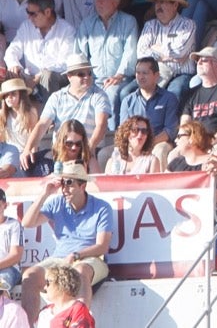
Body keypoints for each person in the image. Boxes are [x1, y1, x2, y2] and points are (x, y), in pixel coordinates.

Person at [20, 163, 112, 325]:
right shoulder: (57, 202)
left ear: (82, 185)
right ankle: (27, 324)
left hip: (91, 259)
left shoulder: (102, 207)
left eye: (69, 183)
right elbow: (27, 222)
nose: (64, 189)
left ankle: (80, 322)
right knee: (29, 276)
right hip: (60, 258)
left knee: (80, 270)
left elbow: (102, 246)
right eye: (62, 183)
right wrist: (45, 193)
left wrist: (77, 255)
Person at [20, 54, 109, 173]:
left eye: (89, 73)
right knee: (28, 162)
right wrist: (27, 149)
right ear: (69, 76)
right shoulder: (57, 97)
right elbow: (42, 125)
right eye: (81, 74)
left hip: (90, 149)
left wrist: (88, 149)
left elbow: (101, 125)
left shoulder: (99, 95)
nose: (87, 77)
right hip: (61, 151)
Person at [74, 0, 138, 131]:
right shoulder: (87, 23)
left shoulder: (128, 22)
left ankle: (110, 136)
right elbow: (79, 54)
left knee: (111, 92)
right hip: (92, 79)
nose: (98, 2)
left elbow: (130, 52)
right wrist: (84, 77)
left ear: (115, 1)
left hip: (119, 79)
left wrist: (119, 75)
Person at [3, 0, 75, 94]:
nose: (29, 17)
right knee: (8, 73)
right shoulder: (26, 26)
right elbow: (12, 50)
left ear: (47, 12)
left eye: (33, 14)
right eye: (28, 12)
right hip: (29, 76)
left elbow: (65, 63)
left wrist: (38, 77)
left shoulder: (67, 30)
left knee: (48, 76)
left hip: (54, 79)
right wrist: (14, 65)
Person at [136, 0, 198, 100]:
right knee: (126, 92)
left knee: (174, 93)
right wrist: (166, 56)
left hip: (181, 74)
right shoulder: (150, 25)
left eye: (163, 2)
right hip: (153, 73)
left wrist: (155, 48)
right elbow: (140, 53)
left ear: (175, 5)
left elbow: (178, 52)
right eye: (157, 3)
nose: (158, 6)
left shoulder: (188, 25)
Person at [119, 56, 179, 168]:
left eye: (145, 73)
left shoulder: (169, 98)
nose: (140, 77)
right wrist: (137, 144)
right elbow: (123, 130)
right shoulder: (128, 101)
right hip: (134, 142)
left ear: (156, 76)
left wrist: (147, 143)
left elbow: (170, 130)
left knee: (160, 150)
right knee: (105, 154)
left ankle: (159, 185)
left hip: (159, 142)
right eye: (138, 73)